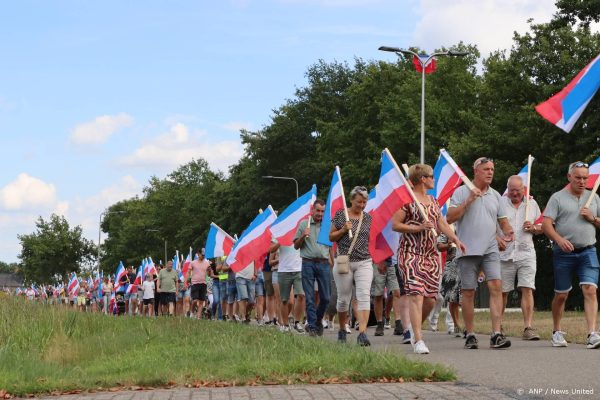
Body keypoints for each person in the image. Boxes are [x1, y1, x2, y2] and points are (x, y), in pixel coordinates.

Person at [393, 164, 466, 354]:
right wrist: (417, 228)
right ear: (423, 179)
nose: (434, 179)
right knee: (416, 295)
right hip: (410, 254)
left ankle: (413, 328)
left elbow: (442, 223)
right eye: (431, 176)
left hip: (431, 255)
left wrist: (455, 239)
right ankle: (418, 339)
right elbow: (395, 224)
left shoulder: (433, 201)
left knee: (431, 301)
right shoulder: (407, 201)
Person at [447, 157, 514, 350]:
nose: (490, 172)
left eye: (492, 169)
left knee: (496, 286)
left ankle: (496, 334)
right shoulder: (460, 192)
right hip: (468, 250)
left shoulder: (496, 196)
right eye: (486, 169)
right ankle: (470, 333)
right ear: (476, 171)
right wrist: (468, 201)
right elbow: (450, 217)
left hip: (490, 248)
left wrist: (508, 231)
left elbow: (503, 221)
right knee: (468, 292)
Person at [542, 161, 600, 349]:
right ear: (569, 177)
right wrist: (559, 240)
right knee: (561, 295)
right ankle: (557, 331)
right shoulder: (557, 198)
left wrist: (593, 218)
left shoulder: (595, 198)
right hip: (563, 253)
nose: (582, 181)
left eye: (585, 177)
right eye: (578, 177)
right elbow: (546, 225)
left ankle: (592, 333)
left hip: (588, 251)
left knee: (590, 289)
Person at [500, 175, 543, 340]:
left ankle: (528, 327)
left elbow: (542, 226)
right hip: (504, 253)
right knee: (503, 292)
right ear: (507, 189)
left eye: (518, 190)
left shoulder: (531, 203)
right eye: (512, 190)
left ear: (524, 189)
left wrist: (533, 228)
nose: (515, 193)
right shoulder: (500, 203)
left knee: (527, 288)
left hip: (526, 252)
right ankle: (499, 326)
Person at [328, 187, 373, 346]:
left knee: (363, 296)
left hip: (364, 261)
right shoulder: (341, 215)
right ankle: (342, 329)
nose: (361, 205)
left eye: (364, 202)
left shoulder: (368, 218)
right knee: (343, 299)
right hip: (344, 262)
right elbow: (331, 236)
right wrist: (343, 229)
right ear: (351, 200)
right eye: (359, 202)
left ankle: (362, 333)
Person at [294, 199, 332, 337]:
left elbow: (331, 246)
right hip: (308, 263)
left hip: (323, 263)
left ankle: (317, 321)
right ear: (312, 210)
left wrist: (332, 262)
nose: (320, 214)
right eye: (318, 211)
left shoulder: (328, 225)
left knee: (326, 297)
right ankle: (312, 326)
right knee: (309, 297)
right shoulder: (304, 224)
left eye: (322, 211)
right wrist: (303, 235)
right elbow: (296, 246)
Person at [272, 240, 305, 333]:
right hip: (284, 270)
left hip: (299, 269)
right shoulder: (280, 233)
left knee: (301, 295)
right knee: (285, 300)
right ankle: (285, 325)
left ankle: (297, 322)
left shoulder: (300, 230)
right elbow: (271, 249)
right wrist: (281, 240)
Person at [188, 249, 212, 319]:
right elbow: (188, 272)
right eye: (202, 255)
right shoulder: (193, 263)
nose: (203, 256)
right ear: (198, 254)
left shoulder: (207, 263)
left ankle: (198, 317)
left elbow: (209, 274)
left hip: (203, 283)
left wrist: (209, 270)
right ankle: (192, 312)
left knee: (201, 302)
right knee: (195, 300)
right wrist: (186, 282)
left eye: (204, 255)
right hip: (195, 283)